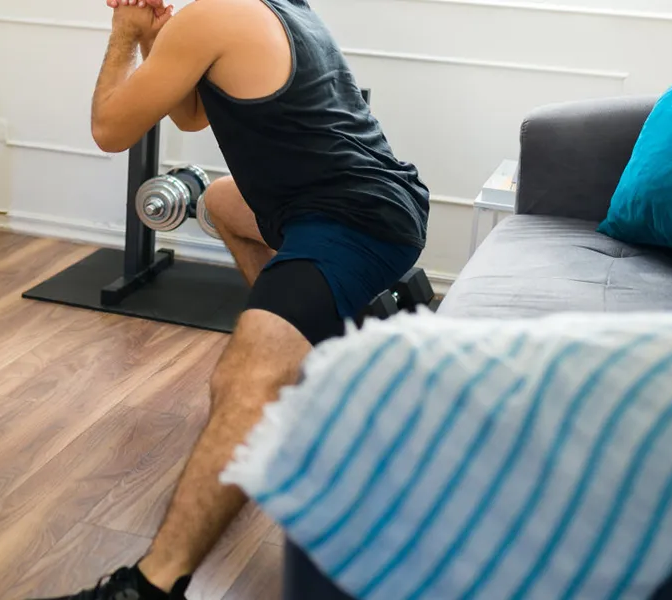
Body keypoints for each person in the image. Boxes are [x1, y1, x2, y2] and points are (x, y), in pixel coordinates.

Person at [36, 0, 430, 598]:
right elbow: (193, 115)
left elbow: (110, 130)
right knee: (221, 201)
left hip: (354, 220)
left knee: (245, 376)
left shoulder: (212, 15)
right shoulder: (276, 7)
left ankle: (150, 585)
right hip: (367, 198)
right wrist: (155, 42)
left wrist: (123, 35)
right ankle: (318, 351)